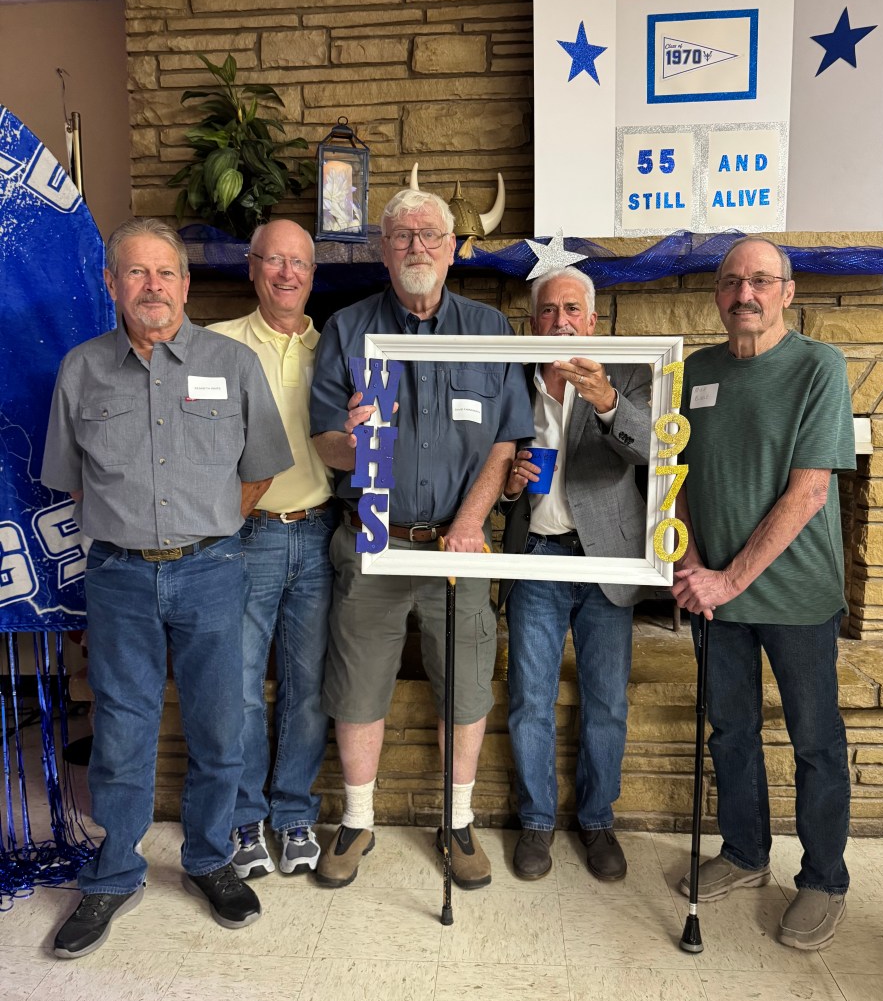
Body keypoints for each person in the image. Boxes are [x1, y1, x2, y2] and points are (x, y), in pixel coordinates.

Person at [41, 217, 293, 958]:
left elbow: (261, 468)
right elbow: (74, 483)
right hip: (118, 576)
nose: (152, 286)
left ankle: (210, 858)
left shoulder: (233, 363)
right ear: (112, 283)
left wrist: (207, 529)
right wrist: (136, 534)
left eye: (165, 272)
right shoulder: (81, 370)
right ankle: (116, 872)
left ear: (185, 283)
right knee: (121, 730)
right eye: (136, 272)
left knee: (220, 725)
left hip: (213, 569)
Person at [309, 187, 532, 889]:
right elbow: (324, 440)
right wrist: (353, 442)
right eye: (402, 236)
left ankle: (457, 822)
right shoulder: (346, 329)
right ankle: (358, 819)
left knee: (464, 691)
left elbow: (505, 440)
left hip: (457, 549)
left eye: (430, 235)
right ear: (383, 250)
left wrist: (469, 523)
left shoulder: (490, 330)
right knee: (357, 688)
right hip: (371, 542)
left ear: (452, 248)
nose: (417, 247)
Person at [671, 235, 855, 951]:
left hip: (797, 597)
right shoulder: (695, 371)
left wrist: (727, 578)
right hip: (715, 598)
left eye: (760, 281)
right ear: (717, 294)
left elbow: (810, 491)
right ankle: (746, 853)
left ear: (787, 291)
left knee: (816, 742)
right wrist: (692, 565)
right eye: (730, 281)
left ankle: (825, 878)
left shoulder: (819, 366)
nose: (744, 294)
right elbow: (675, 474)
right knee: (731, 732)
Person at [498, 268, 651, 881]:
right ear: (533, 322)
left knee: (606, 701)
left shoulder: (630, 374)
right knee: (529, 698)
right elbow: (493, 469)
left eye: (571, 310)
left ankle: (596, 820)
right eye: (547, 310)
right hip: (536, 554)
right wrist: (510, 487)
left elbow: (652, 449)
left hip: (607, 557)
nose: (559, 321)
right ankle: (536, 822)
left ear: (592, 320)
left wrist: (607, 402)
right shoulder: (513, 378)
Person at [208, 220, 335, 880]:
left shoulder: (336, 347)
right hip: (246, 535)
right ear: (252, 267)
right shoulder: (216, 343)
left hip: (317, 532)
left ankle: (293, 814)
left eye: (299, 263)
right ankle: (244, 817)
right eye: (274, 260)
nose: (287, 273)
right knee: (239, 688)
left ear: (313, 274)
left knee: (306, 688)